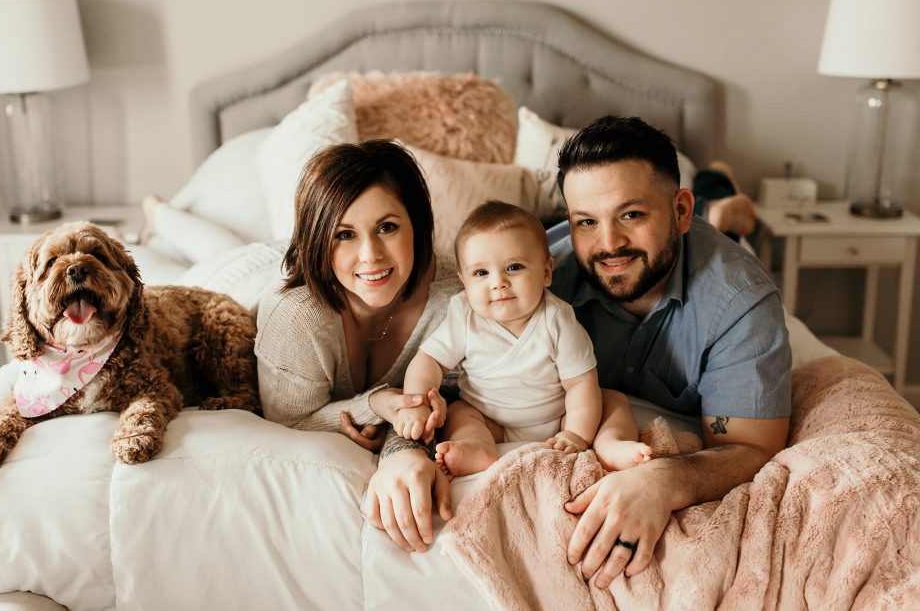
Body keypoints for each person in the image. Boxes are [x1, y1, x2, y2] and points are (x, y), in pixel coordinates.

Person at [550, 115, 791, 589]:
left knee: (728, 231)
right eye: (586, 222)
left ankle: (720, 197)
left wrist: (664, 479)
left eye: (631, 215)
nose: (609, 244)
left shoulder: (740, 300)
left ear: (681, 211)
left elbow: (752, 445)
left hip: (709, 251)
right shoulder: (539, 279)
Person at [255, 141, 459, 520]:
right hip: (251, 271)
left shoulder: (455, 298)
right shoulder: (293, 315)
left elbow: (455, 397)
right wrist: (376, 405)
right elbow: (287, 421)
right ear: (318, 238)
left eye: (387, 227)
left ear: (417, 224)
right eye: (344, 234)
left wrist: (401, 440)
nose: (371, 255)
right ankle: (158, 212)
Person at [392, 201, 650, 477]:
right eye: (481, 273)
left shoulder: (557, 319)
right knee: (459, 413)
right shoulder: (464, 315)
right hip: (490, 420)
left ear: (546, 272)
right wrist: (416, 403)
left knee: (612, 401)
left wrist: (576, 433)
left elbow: (580, 384)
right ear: (464, 282)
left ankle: (611, 444)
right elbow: (428, 361)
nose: (498, 282)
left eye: (514, 267)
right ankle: (478, 447)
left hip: (560, 417)